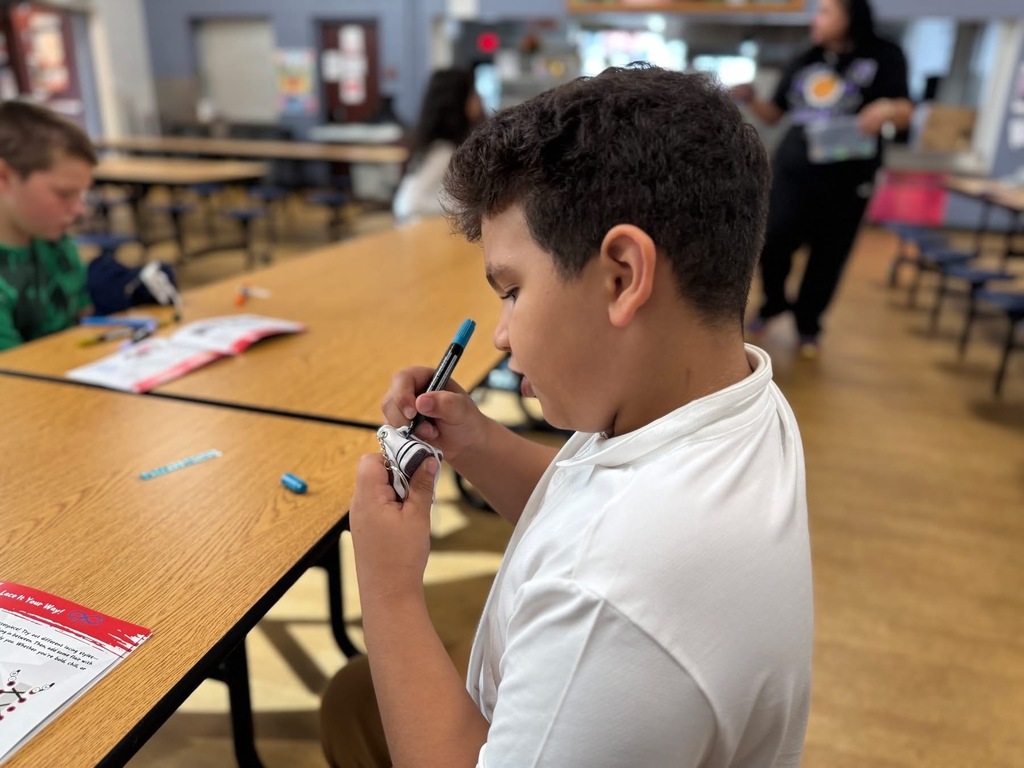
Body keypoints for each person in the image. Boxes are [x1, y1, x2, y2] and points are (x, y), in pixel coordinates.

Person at [321, 65, 813, 768]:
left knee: (359, 696)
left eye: (513, 291)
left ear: (621, 275)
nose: (500, 336)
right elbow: (587, 493)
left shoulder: (613, 600)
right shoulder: (722, 390)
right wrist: (475, 440)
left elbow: (601, 561)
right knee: (353, 699)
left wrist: (388, 591)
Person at [732, 0, 912, 357]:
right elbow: (773, 115)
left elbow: (906, 111)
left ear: (851, 16)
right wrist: (751, 98)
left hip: (849, 177)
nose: (817, 19)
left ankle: (808, 325)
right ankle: (774, 302)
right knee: (773, 238)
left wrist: (888, 110)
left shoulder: (885, 55)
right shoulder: (806, 58)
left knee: (829, 255)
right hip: (794, 171)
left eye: (826, 11)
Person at [0, 99, 95, 350]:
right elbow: (13, 378)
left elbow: (84, 320)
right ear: (3, 177)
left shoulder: (54, 241)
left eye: (81, 195)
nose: (78, 210)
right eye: (64, 195)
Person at [392, 68, 483, 224]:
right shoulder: (442, 152)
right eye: (473, 93)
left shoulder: (448, 148)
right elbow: (406, 203)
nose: (479, 100)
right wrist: (465, 205)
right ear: (459, 101)